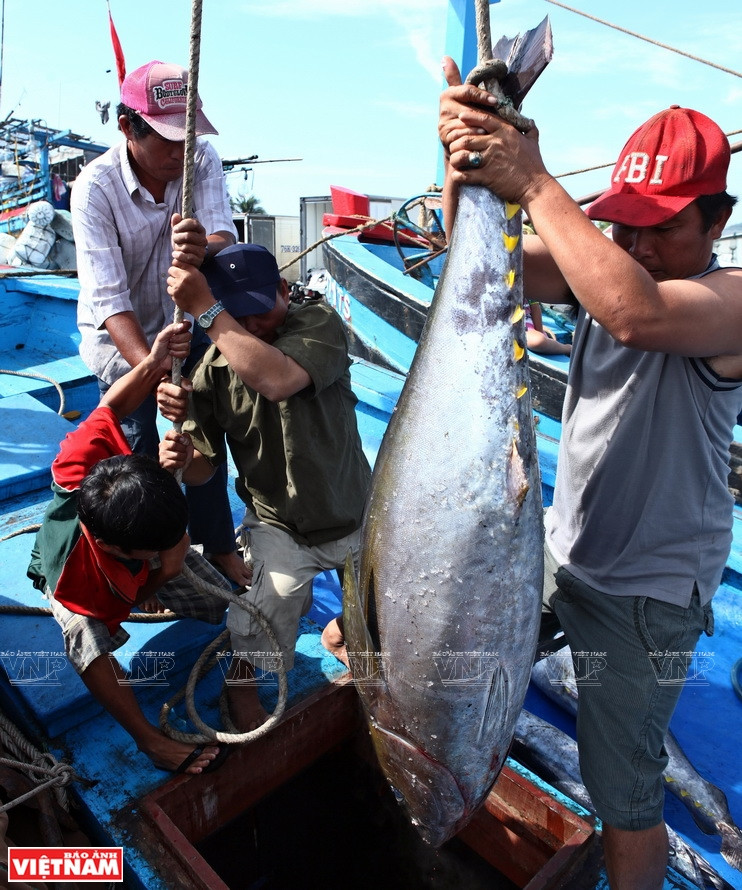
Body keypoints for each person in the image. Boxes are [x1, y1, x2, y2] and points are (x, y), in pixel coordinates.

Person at [439, 59, 742, 890]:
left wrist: (533, 178)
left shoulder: (732, 298)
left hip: (645, 593)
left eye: (664, 227)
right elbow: (481, 255)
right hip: (558, 552)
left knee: (625, 793)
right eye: (624, 229)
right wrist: (463, 150)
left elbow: (635, 313)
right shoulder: (603, 271)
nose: (639, 246)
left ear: (719, 218)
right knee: (442, 665)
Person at [157, 243, 371, 729]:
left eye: (259, 310)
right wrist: (183, 453)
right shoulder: (210, 370)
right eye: (238, 314)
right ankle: (241, 683)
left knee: (380, 613)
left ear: (282, 289)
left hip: (354, 509)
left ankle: (340, 633)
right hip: (280, 522)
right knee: (265, 614)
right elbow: (201, 471)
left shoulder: (318, 324)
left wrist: (207, 311)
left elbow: (278, 379)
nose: (252, 325)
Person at [71, 59, 249, 586]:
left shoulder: (201, 158)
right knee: (140, 455)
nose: (181, 151)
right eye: (168, 139)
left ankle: (217, 546)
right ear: (128, 128)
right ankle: (151, 562)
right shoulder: (94, 190)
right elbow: (109, 302)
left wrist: (205, 245)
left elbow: (222, 237)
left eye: (186, 137)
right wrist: (153, 373)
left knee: (199, 439)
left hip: (183, 332)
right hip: (120, 344)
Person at [27, 323, 232, 774]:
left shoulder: (82, 455)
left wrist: (155, 362)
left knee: (222, 607)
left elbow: (111, 403)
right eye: (148, 555)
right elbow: (111, 614)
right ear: (113, 547)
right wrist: (160, 576)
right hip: (86, 585)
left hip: (148, 546)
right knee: (87, 639)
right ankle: (149, 741)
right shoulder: (79, 571)